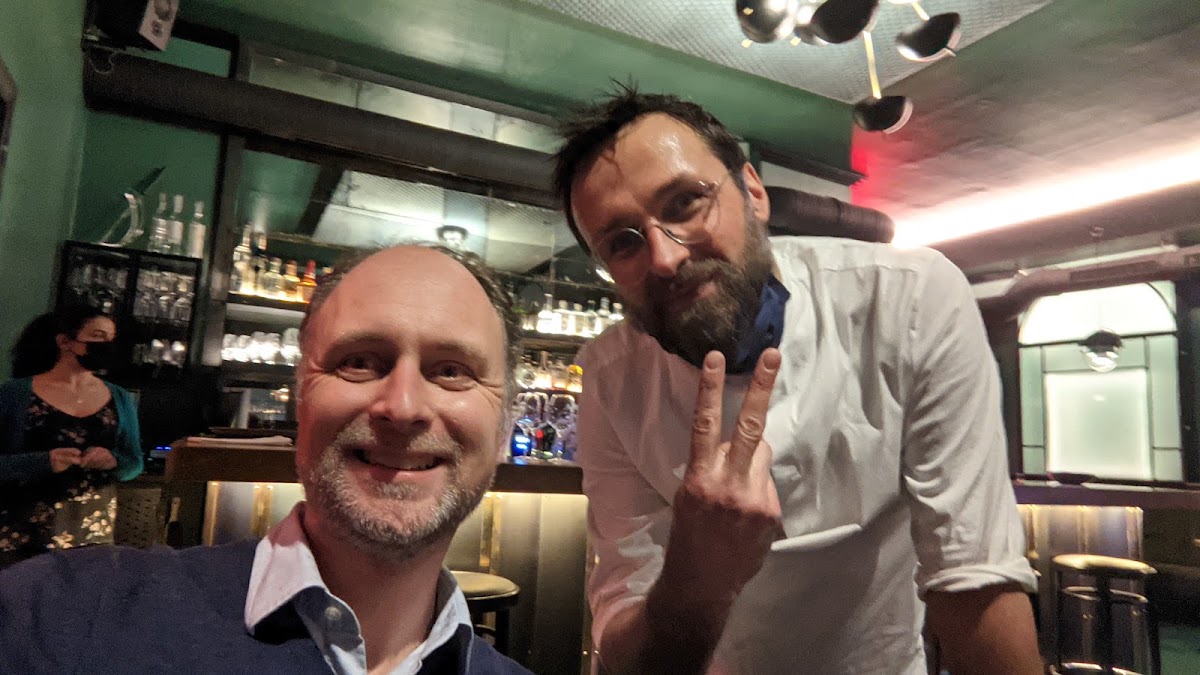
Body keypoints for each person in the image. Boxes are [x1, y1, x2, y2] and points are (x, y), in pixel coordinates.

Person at [553, 87, 1041, 674]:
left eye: (685, 203)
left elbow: (973, 578)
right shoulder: (611, 375)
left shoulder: (907, 299)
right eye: (622, 242)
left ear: (753, 193)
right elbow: (624, 648)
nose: (664, 257)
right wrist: (697, 578)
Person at [0, 245, 530, 675]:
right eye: (359, 362)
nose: (404, 406)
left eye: (453, 371)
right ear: (301, 397)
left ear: (507, 423)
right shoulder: (65, 613)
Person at [0, 306, 142, 569]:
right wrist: (43, 462)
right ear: (65, 342)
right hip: (20, 531)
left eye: (111, 338)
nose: (107, 345)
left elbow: (134, 463)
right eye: (98, 336)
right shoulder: (14, 395)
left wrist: (113, 461)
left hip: (92, 532)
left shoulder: (120, 398)